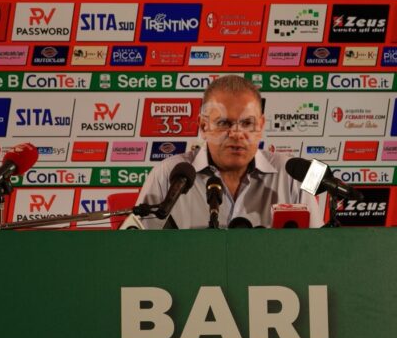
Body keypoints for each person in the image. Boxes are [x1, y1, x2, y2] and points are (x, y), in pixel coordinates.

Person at [133, 75, 322, 229]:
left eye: (247, 123)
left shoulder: (293, 177)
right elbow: (139, 249)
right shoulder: (166, 175)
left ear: (261, 125)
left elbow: (316, 249)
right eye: (224, 123)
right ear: (203, 126)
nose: (237, 134)